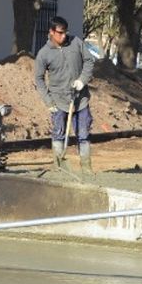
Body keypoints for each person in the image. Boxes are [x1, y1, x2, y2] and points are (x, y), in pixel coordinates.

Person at [33, 15, 96, 171]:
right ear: (51, 32)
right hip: (58, 102)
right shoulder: (44, 54)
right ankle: (60, 167)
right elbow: (39, 79)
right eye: (60, 33)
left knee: (83, 134)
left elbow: (89, 61)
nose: (63, 36)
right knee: (59, 134)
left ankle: (86, 167)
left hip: (80, 100)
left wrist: (82, 80)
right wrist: (48, 102)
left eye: (65, 32)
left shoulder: (76, 43)